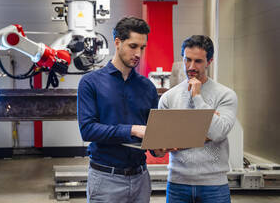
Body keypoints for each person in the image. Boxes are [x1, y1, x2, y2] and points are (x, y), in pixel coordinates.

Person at [77, 17, 159, 203]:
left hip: (141, 179)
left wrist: (159, 148)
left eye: (142, 48)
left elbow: (152, 131)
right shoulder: (91, 83)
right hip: (106, 180)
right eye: (133, 46)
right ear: (117, 43)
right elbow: (87, 129)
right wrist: (132, 129)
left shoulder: (147, 87)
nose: (138, 53)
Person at [158, 35, 238, 203]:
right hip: (177, 184)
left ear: (209, 61)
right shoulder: (168, 98)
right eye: (187, 60)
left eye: (198, 61)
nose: (191, 66)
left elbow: (217, 133)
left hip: (214, 186)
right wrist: (204, 127)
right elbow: (163, 142)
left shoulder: (226, 95)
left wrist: (197, 97)